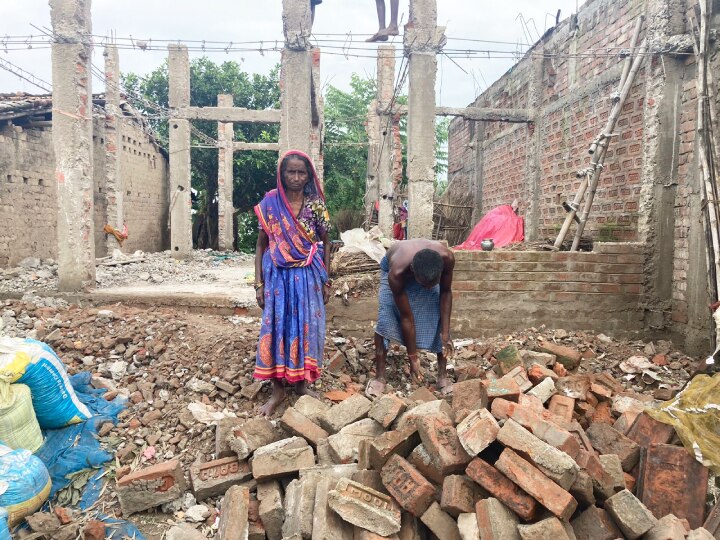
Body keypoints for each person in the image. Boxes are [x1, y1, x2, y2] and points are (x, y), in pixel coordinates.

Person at [253, 150, 332, 416]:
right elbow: (262, 244)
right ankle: (277, 391)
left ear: (308, 175)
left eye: (301, 172)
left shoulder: (316, 205)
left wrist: (327, 280)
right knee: (278, 327)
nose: (296, 177)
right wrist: (258, 284)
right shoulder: (270, 202)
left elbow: (326, 242)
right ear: (282, 174)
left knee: (305, 327)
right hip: (276, 275)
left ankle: (300, 385)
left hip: (308, 274)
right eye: (291, 172)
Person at [366, 239, 455, 398]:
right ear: (414, 272)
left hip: (425, 272)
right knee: (386, 318)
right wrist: (413, 357)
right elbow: (407, 318)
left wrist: (446, 333)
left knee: (439, 316)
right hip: (396, 270)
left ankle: (442, 375)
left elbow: (446, 292)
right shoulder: (397, 273)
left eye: (432, 284)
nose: (428, 289)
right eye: (425, 285)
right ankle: (379, 377)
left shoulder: (447, 258)